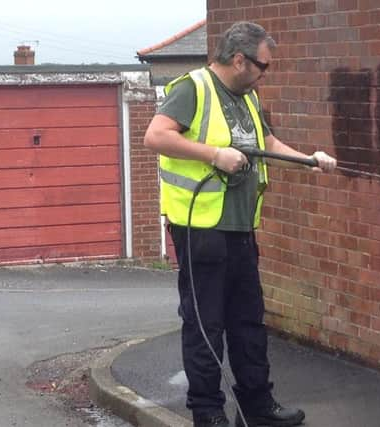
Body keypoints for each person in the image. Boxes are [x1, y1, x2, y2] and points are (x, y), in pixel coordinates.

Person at [143, 21, 336, 427]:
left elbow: (265, 144)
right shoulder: (192, 89)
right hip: (200, 228)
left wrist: (309, 159)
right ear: (238, 59)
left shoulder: (247, 95)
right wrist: (215, 154)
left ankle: (258, 407)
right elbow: (155, 137)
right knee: (205, 325)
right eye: (263, 66)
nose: (266, 73)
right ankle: (208, 413)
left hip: (240, 228)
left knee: (248, 320)